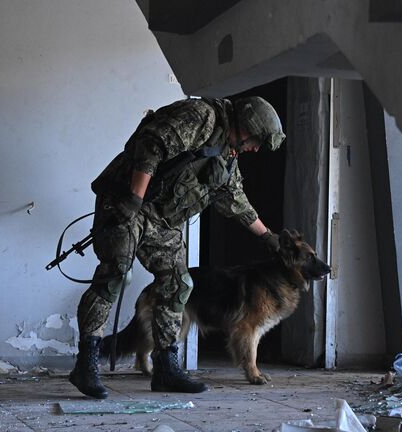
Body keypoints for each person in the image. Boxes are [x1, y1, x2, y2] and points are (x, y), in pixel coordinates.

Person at [69, 96, 285, 399]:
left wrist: (267, 236)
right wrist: (134, 196)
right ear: (247, 126)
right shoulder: (201, 117)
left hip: (161, 219)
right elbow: (151, 145)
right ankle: (86, 364)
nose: (256, 148)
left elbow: (233, 197)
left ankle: (166, 369)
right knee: (114, 275)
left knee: (179, 283)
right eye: (257, 140)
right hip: (128, 201)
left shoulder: (227, 152)